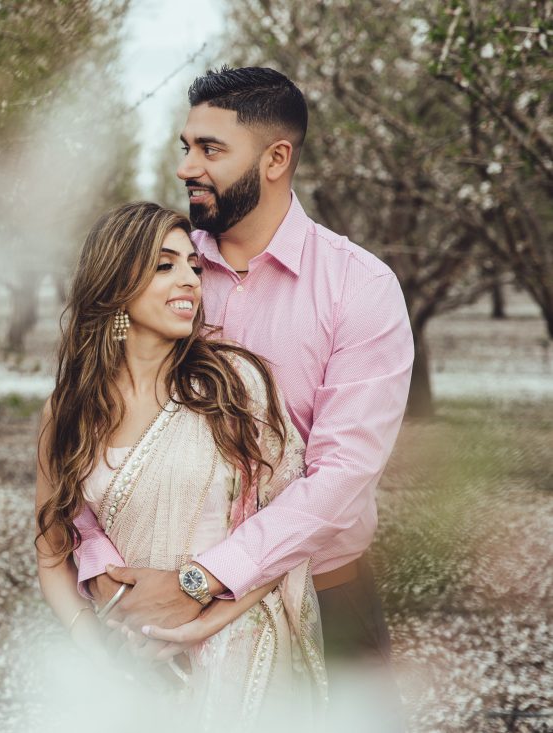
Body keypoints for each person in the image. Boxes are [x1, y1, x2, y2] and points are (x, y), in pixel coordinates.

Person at [73, 66, 414, 726]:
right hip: (149, 613)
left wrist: (203, 579)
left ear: (277, 158)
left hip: (325, 596)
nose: (186, 168)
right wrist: (108, 575)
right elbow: (89, 426)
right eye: (185, 146)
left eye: (211, 149)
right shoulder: (157, 273)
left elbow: (343, 474)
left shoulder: (360, 289)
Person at [35, 202, 327, 727]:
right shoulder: (71, 410)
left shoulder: (235, 384)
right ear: (115, 283)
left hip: (240, 656)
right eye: (165, 265)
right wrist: (97, 652)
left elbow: (287, 530)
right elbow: (54, 554)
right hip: (133, 666)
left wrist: (203, 618)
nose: (191, 278)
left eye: (194, 264)